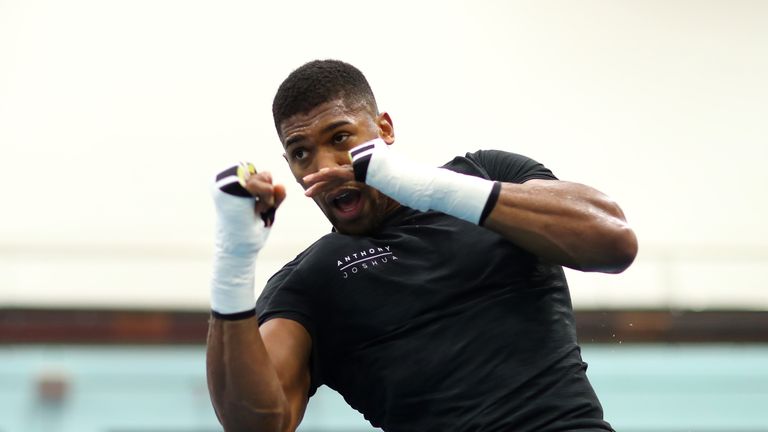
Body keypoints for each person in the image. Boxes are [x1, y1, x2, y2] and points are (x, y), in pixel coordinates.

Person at [206, 59, 638, 432]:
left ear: (384, 129)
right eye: (301, 153)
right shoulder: (310, 279)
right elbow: (258, 424)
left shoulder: (485, 174)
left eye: (340, 138)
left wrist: (425, 186)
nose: (323, 167)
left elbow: (614, 242)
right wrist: (233, 261)